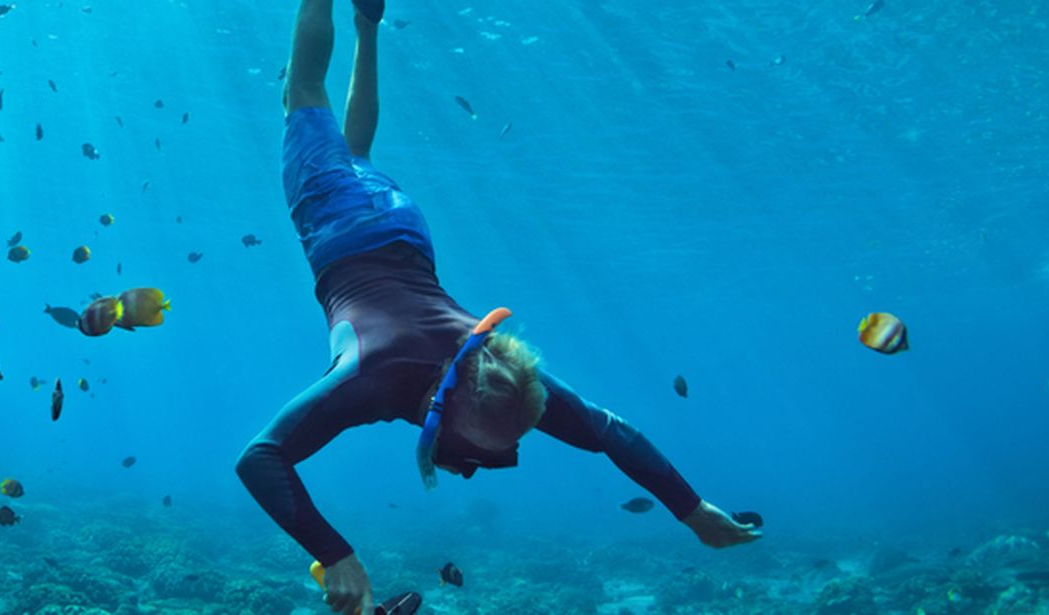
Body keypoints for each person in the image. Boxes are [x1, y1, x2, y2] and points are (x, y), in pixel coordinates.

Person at [235, 1, 763, 613]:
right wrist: (335, 554)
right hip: (344, 228)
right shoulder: (375, 374)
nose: (489, 462)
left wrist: (693, 511)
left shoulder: (502, 376)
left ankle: (369, 23)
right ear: (448, 402)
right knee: (302, 93)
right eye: (485, 449)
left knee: (357, 155)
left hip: (404, 228)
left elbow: (609, 432)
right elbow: (259, 459)